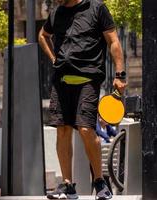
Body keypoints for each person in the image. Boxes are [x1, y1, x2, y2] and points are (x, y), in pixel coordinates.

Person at [38, 0, 127, 199]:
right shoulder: (57, 13)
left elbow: (113, 41)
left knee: (86, 129)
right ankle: (68, 185)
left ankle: (99, 182)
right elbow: (43, 36)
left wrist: (120, 74)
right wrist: (54, 59)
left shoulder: (97, 8)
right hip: (61, 81)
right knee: (62, 130)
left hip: (88, 79)